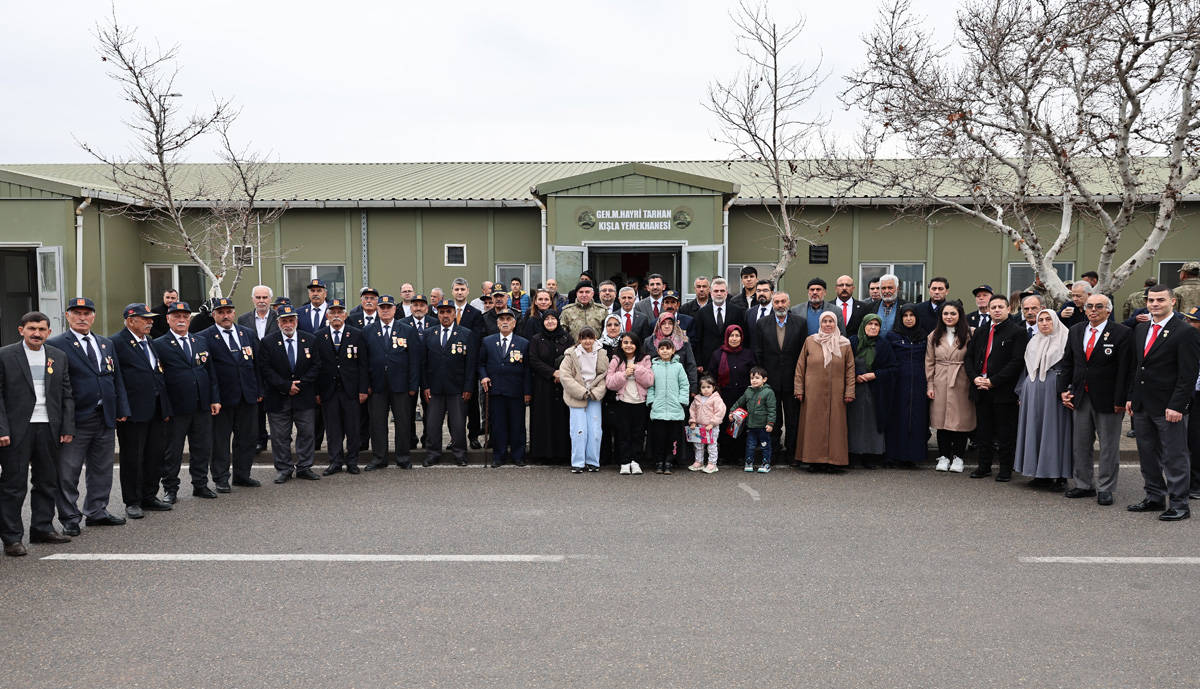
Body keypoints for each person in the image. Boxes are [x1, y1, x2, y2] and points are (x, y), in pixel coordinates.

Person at [47, 297, 129, 535]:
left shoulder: (105, 344)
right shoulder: (56, 344)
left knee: (102, 468)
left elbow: (115, 378)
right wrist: (63, 421)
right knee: (68, 471)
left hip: (104, 415)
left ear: (93, 316)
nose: (82, 317)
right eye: (77, 313)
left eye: (87, 313)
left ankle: (97, 511)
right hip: (75, 419)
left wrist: (121, 408)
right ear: (68, 316)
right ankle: (69, 517)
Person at [0, 312, 74, 556]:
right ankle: (12, 538)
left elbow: (66, 394)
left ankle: (42, 528)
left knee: (47, 482)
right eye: (31, 328)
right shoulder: (5, 355)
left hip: (49, 427)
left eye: (42, 329)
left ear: (48, 333)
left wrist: (66, 427)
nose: (37, 333)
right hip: (16, 430)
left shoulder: (58, 356)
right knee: (13, 485)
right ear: (21, 330)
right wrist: (2, 429)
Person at [1126, 284, 1200, 520]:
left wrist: (1178, 405)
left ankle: (1179, 505)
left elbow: (1188, 374)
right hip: (1142, 405)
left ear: (1173, 302)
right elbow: (1137, 367)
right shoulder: (1141, 329)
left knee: (1174, 456)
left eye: (1160, 300)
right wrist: (1130, 396)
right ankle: (1155, 497)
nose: (1154, 304)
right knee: (1147, 454)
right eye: (1151, 300)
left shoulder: (1185, 331)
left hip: (1169, 407)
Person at [1059, 294, 1131, 505]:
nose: (1093, 310)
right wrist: (1063, 389)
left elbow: (1124, 370)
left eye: (1099, 306)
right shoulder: (1076, 330)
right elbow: (1068, 362)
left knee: (1108, 446)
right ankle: (1084, 484)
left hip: (1109, 399)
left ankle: (1106, 488)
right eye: (1090, 306)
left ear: (1108, 310)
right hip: (1081, 396)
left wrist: (1120, 400)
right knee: (1080, 444)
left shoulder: (1122, 333)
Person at [110, 303, 174, 517]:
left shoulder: (150, 342)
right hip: (133, 411)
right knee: (132, 458)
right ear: (130, 320)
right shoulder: (116, 343)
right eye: (145, 318)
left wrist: (165, 407)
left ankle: (149, 496)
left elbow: (158, 374)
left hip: (155, 408)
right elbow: (115, 379)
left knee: (155, 455)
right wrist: (121, 408)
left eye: (151, 318)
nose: (151, 322)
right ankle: (133, 501)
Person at [153, 302, 220, 502]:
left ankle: (200, 485)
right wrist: (164, 407)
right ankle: (170, 489)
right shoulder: (158, 344)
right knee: (172, 451)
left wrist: (215, 398)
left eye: (185, 316)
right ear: (168, 319)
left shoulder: (199, 340)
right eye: (176, 317)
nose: (181, 320)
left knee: (201, 448)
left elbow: (210, 371)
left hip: (201, 405)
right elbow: (159, 379)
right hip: (176, 407)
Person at [201, 298, 263, 493]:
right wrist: (213, 398)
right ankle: (221, 478)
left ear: (234, 313)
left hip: (247, 395)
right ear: (214, 315)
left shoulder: (247, 334)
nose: (225, 315)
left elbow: (257, 365)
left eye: (228, 311)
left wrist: (259, 390)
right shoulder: (204, 337)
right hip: (222, 398)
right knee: (220, 440)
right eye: (220, 312)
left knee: (247, 437)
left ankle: (242, 475)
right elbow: (206, 372)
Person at [965, 295, 1028, 481]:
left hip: (1002, 390)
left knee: (1004, 432)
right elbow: (968, 358)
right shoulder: (981, 331)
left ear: (1009, 309)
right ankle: (983, 466)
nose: (997, 310)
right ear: (989, 310)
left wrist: (994, 381)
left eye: (1001, 306)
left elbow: (1016, 362)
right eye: (994, 307)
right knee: (983, 431)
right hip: (980, 389)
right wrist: (975, 378)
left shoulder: (1017, 332)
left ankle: (1005, 469)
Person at [258, 304, 322, 483]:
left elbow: (316, 366)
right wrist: (286, 386)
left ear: (296, 321)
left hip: (304, 396)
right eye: (284, 321)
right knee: (280, 436)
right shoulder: (268, 342)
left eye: (291, 320)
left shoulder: (310, 340)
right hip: (278, 397)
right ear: (278, 322)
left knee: (307, 433)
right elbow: (265, 369)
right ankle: (284, 468)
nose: (288, 324)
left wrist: (300, 385)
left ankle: (304, 467)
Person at [1013, 309, 1073, 490]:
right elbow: (1027, 369)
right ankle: (1041, 475)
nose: (1044, 323)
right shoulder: (1033, 341)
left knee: (1055, 432)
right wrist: (1022, 392)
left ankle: (1061, 475)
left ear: (1055, 321)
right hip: (1033, 390)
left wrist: (1068, 389)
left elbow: (1071, 367)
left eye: (1048, 319)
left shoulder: (1066, 339)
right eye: (1041, 320)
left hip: (1055, 390)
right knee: (1036, 430)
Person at [793, 312, 856, 472]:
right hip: (812, 392)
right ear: (820, 324)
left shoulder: (845, 344)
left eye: (831, 321)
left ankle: (833, 461)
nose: (828, 324)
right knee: (813, 425)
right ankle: (813, 460)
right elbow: (800, 366)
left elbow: (850, 369)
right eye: (825, 322)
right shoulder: (811, 341)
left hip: (837, 393)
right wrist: (799, 388)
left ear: (836, 324)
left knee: (836, 426)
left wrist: (849, 391)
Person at [421, 299, 479, 467]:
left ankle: (460, 453)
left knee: (458, 423)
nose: (445, 315)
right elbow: (422, 363)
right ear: (437, 314)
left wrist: (469, 386)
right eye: (441, 312)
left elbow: (471, 363)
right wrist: (425, 386)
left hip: (458, 387)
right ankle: (432, 453)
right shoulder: (429, 333)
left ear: (454, 314)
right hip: (434, 387)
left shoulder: (466, 333)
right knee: (432, 423)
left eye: (448, 312)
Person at [315, 299, 368, 475]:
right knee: (333, 428)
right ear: (327, 316)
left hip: (351, 390)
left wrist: (362, 389)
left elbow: (362, 364)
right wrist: (317, 391)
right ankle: (335, 461)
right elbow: (316, 366)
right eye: (332, 313)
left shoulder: (357, 334)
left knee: (352, 428)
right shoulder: (319, 336)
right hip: (328, 390)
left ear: (345, 315)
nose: (336, 316)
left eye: (339, 312)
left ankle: (352, 461)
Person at [753, 291, 805, 457]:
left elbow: (803, 353)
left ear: (789, 303)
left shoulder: (800, 323)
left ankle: (792, 454)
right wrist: (761, 379)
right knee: (773, 421)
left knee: (793, 420)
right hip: (770, 381)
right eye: (777, 302)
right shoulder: (762, 323)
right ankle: (773, 453)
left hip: (792, 381)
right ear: (772, 304)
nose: (780, 305)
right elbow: (758, 352)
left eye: (783, 301)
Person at [926, 301, 976, 473]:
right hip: (940, 379)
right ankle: (944, 456)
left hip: (962, 379)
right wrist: (930, 385)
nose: (949, 317)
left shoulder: (970, 333)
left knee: (960, 421)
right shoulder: (933, 336)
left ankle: (959, 457)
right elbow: (929, 362)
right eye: (945, 314)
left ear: (960, 315)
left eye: (952, 313)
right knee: (941, 421)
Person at [478, 309, 532, 468]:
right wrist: (484, 376)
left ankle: (518, 456)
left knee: (517, 425)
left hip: (516, 391)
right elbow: (481, 364)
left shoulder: (523, 343)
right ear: (497, 323)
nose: (505, 322)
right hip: (496, 390)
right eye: (502, 319)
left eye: (509, 319)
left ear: (514, 323)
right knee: (498, 425)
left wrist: (527, 391)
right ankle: (499, 456)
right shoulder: (488, 341)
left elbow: (528, 369)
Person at [846, 314, 896, 470]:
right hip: (854, 388)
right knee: (853, 422)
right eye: (870, 324)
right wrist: (855, 376)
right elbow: (843, 364)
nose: (873, 327)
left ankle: (871, 456)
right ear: (863, 325)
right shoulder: (852, 342)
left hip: (875, 389)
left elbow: (893, 368)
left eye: (876, 324)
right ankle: (853, 455)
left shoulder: (884, 345)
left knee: (872, 422)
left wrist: (875, 375)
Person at [884, 304, 930, 467]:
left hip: (919, 382)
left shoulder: (925, 336)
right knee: (898, 418)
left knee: (916, 418)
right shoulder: (892, 336)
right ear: (901, 318)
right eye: (905, 315)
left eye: (912, 315)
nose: (909, 318)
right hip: (898, 382)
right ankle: (893, 455)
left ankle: (912, 456)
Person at [560, 326, 609, 473]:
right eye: (584, 338)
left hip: (594, 396)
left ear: (595, 338)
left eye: (590, 338)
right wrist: (581, 392)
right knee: (578, 430)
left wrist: (594, 393)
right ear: (579, 339)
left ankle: (593, 461)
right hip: (577, 396)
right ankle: (578, 462)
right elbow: (565, 376)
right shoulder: (571, 354)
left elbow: (604, 375)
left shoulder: (602, 354)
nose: (587, 341)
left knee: (594, 430)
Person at [528, 310, 573, 464]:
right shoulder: (536, 339)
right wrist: (553, 373)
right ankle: (543, 454)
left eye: (553, 318)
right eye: (547, 319)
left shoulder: (567, 338)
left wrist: (562, 373)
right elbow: (533, 360)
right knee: (543, 419)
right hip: (543, 384)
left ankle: (562, 454)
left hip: (564, 385)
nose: (550, 322)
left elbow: (572, 357)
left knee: (562, 419)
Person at [606, 332, 654, 475]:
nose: (628, 345)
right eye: (625, 342)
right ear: (621, 344)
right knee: (623, 433)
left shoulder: (645, 359)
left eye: (632, 343)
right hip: (623, 402)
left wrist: (636, 369)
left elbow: (649, 381)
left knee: (638, 433)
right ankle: (625, 461)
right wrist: (624, 374)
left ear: (637, 345)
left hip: (640, 402)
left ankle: (636, 461)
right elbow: (609, 383)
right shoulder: (616, 360)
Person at [708, 325, 756, 462]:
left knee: (741, 423)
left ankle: (740, 455)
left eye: (737, 336)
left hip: (743, 394)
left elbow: (754, 374)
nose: (734, 339)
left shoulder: (748, 354)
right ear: (726, 337)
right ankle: (724, 454)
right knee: (724, 423)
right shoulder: (717, 354)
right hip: (724, 395)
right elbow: (711, 375)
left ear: (741, 338)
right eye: (731, 336)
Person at [239, 285, 278, 453]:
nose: (261, 301)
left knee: (276, 407)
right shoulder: (243, 319)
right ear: (253, 299)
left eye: (265, 297)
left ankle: (280, 439)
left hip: (276, 368)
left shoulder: (279, 317)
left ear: (270, 299)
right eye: (258, 297)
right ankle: (260, 439)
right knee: (257, 408)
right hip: (253, 369)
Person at [646, 338, 690, 474]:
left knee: (672, 438)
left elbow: (684, 385)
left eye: (668, 348)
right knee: (659, 437)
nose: (665, 351)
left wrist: (681, 401)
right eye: (662, 348)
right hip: (658, 409)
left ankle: (669, 461)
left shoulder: (678, 367)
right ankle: (659, 461)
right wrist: (652, 401)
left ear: (673, 350)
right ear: (658, 351)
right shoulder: (653, 367)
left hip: (674, 409)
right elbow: (650, 386)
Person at [399, 294, 435, 453]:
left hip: (429, 372)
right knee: (408, 408)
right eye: (415, 305)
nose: (418, 308)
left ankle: (428, 439)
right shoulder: (402, 324)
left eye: (422, 305)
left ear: (426, 308)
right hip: (409, 372)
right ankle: (410, 439)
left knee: (430, 408)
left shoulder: (434, 323)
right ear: (410, 308)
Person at [694, 278, 746, 372]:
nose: (719, 294)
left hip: (732, 358)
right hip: (708, 360)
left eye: (722, 291)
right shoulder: (702, 312)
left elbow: (743, 336)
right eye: (716, 291)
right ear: (710, 293)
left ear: (726, 292)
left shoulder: (736, 311)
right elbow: (698, 339)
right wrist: (699, 362)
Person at [733, 367, 777, 473]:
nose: (754, 380)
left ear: (764, 379)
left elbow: (772, 409)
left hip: (763, 426)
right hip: (751, 425)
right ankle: (749, 462)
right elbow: (740, 402)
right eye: (752, 378)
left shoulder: (768, 392)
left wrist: (770, 423)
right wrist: (732, 411)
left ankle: (766, 463)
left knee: (765, 445)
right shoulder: (748, 391)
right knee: (750, 445)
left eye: (757, 378)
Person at [645, 312, 698, 395]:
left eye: (670, 323)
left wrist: (693, 387)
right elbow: (645, 364)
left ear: (674, 325)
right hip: (657, 387)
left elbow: (690, 365)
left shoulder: (683, 341)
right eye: (663, 323)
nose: (667, 326)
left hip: (679, 387)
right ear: (659, 324)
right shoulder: (649, 341)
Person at [597, 314, 624, 466]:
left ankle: (621, 458)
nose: (613, 328)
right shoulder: (599, 346)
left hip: (621, 390)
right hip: (603, 391)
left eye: (616, 325)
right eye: (609, 325)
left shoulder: (625, 344)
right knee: (604, 425)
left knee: (621, 425)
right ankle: (604, 457)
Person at [688, 375, 726, 473]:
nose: (706, 390)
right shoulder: (697, 399)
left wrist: (712, 423)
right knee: (698, 445)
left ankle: (712, 463)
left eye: (708, 387)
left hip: (711, 427)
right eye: (703, 387)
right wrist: (693, 421)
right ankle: (699, 462)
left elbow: (720, 411)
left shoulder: (716, 399)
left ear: (713, 387)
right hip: (699, 426)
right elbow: (692, 410)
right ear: (700, 389)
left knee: (712, 445)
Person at [743, 279, 775, 349]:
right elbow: (746, 338)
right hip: (752, 357)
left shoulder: (777, 313)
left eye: (765, 290)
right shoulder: (749, 313)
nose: (761, 293)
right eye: (758, 291)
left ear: (772, 293)